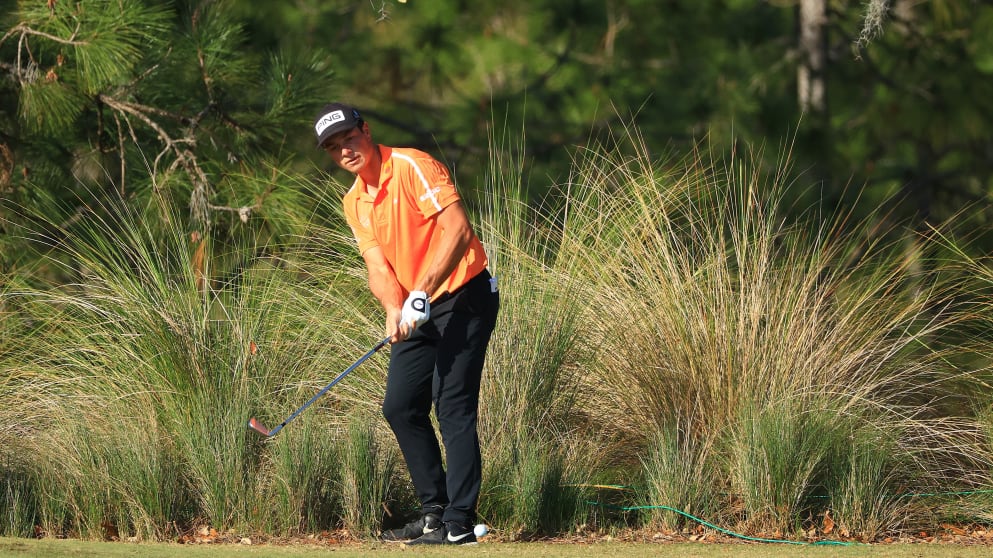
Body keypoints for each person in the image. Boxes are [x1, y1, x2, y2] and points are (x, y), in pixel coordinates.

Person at [313, 103, 500, 545]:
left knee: (451, 404)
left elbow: (457, 229)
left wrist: (423, 289)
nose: (346, 151)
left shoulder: (413, 165)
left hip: (465, 293)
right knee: (399, 406)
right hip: (418, 306)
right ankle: (433, 512)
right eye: (335, 148)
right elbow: (377, 267)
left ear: (367, 130)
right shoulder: (354, 201)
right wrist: (394, 308)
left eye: (350, 138)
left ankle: (459, 522)